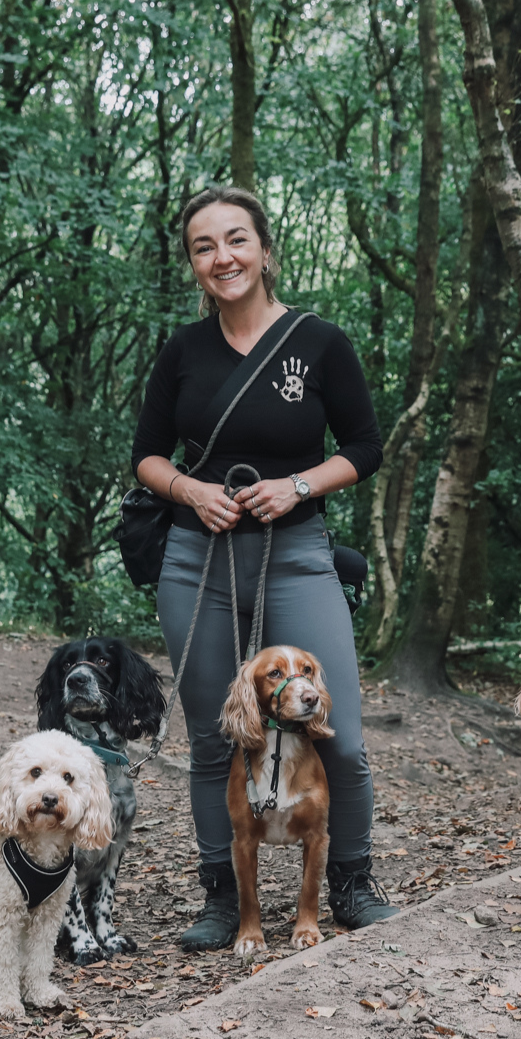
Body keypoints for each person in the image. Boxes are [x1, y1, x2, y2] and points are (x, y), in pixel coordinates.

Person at [130, 186, 392, 950]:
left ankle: (349, 879)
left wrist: (300, 483)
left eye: (236, 240)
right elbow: (145, 455)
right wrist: (190, 489)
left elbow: (365, 445)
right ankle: (223, 892)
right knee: (220, 736)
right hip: (196, 557)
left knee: (336, 731)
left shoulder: (319, 342)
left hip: (299, 555)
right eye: (205, 247)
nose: (223, 257)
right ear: (193, 265)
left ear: (266, 249)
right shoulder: (181, 351)